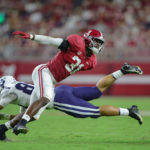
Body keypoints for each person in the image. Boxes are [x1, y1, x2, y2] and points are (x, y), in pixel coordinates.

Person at [0, 63, 143, 141]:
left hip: (59, 99)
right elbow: (24, 114)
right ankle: (121, 71)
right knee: (95, 91)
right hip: (62, 90)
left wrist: (5, 115)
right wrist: (7, 120)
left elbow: (25, 114)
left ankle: (130, 111)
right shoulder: (15, 85)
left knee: (93, 112)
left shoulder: (7, 92)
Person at [12, 29, 105, 134]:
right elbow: (53, 41)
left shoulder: (92, 61)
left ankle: (3, 128)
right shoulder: (76, 43)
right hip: (44, 72)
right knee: (45, 98)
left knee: (35, 115)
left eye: (100, 43)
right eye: (96, 42)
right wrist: (32, 37)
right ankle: (21, 124)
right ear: (89, 39)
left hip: (52, 81)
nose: (98, 45)